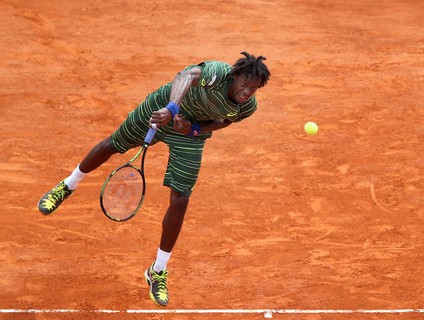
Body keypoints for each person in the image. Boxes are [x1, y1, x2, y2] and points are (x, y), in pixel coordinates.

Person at [37, 52, 271, 307]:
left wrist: (193, 129)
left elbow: (225, 120)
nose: (247, 92)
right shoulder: (216, 73)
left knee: (181, 198)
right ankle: (67, 185)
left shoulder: (247, 106)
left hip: (187, 132)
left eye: (254, 89)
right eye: (244, 85)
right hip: (160, 110)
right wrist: (171, 109)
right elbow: (185, 76)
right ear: (234, 76)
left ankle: (157, 270)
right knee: (113, 145)